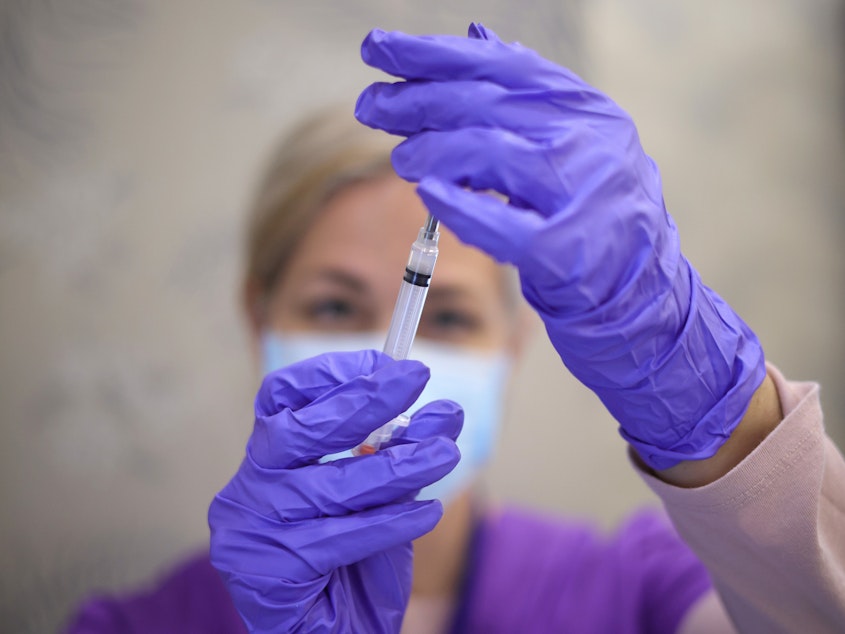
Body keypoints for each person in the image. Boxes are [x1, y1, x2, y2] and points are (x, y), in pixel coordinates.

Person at [64, 23, 845, 634]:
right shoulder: (131, 626)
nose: (387, 348)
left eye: (450, 316)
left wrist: (694, 382)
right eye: (333, 307)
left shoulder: (640, 590)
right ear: (256, 316)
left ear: (513, 341)